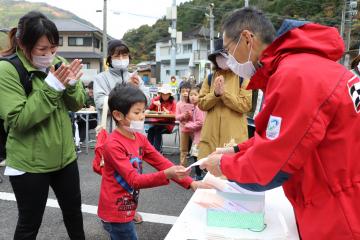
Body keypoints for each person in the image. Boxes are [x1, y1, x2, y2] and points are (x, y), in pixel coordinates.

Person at [200, 7, 360, 240]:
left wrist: (224, 165)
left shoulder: (295, 75)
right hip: (338, 193)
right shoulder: (307, 66)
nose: (228, 59)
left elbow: (270, 168)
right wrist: (236, 150)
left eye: (228, 50)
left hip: (339, 210)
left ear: (247, 38)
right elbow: (283, 135)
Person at [0, 11, 85, 239]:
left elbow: (77, 104)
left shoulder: (58, 63)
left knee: (74, 215)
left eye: (54, 48)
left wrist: (72, 85)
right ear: (22, 44)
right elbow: (19, 120)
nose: (50, 55)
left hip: (64, 158)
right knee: (29, 224)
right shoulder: (6, 70)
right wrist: (53, 86)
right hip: (29, 164)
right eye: (42, 50)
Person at [98, 84, 202, 240]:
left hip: (126, 206)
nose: (142, 116)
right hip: (114, 212)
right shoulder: (113, 144)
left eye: (143, 111)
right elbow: (134, 180)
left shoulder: (139, 138)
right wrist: (167, 174)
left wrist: (190, 182)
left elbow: (160, 161)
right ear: (118, 115)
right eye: (137, 112)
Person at [197, 37, 252, 160]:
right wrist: (215, 94)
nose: (222, 59)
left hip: (234, 139)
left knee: (231, 175)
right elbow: (201, 104)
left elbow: (245, 105)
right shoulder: (210, 78)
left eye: (225, 55)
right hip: (210, 139)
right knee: (209, 174)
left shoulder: (243, 77)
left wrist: (224, 94)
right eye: (219, 56)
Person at [93, 39, 150, 132]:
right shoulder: (100, 78)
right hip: (112, 132)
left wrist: (137, 90)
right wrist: (127, 89)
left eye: (124, 55)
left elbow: (147, 102)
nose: (121, 59)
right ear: (109, 59)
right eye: (116, 56)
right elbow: (101, 104)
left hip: (136, 132)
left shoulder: (136, 78)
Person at [184, 84, 206, 180]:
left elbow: (200, 122)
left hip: (200, 136)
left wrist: (188, 125)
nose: (192, 97)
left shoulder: (199, 107)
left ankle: (199, 175)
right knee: (198, 155)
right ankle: (200, 174)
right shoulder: (196, 106)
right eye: (191, 94)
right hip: (199, 135)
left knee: (196, 156)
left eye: (195, 94)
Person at [147, 84, 176, 152]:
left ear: (169, 94)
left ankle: (157, 151)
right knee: (151, 130)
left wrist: (168, 112)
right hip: (156, 123)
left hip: (168, 124)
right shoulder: (157, 99)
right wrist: (154, 103)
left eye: (166, 94)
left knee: (157, 130)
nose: (164, 95)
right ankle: (148, 150)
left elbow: (175, 114)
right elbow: (149, 108)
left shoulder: (173, 103)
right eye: (163, 94)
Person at [175, 81, 193, 166]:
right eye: (183, 90)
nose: (185, 92)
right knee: (183, 149)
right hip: (183, 128)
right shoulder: (179, 104)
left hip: (194, 128)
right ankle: (182, 166)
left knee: (197, 147)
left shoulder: (193, 102)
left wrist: (191, 114)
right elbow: (177, 117)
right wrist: (183, 115)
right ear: (180, 91)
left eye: (187, 90)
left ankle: (199, 169)